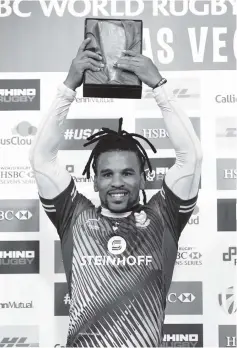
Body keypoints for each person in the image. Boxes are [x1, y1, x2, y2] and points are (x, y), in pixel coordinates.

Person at [29, 37, 202, 348]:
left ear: (144, 178)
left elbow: (191, 157)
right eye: (107, 174)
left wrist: (158, 86)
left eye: (127, 173)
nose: (117, 183)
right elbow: (41, 159)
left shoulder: (165, 217)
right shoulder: (74, 216)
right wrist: (69, 84)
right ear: (94, 181)